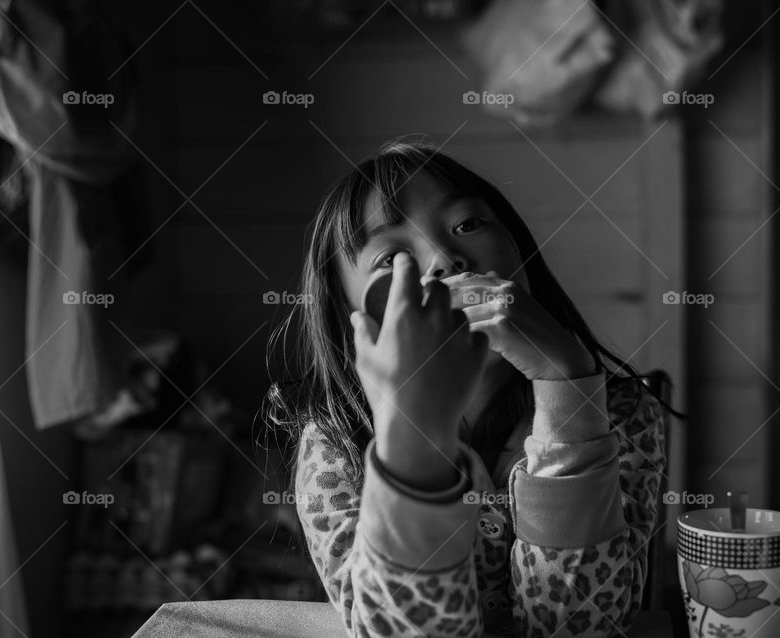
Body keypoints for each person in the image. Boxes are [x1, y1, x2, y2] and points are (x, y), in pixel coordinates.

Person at [263, 140, 667, 637]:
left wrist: (568, 387)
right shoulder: (334, 447)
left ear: (520, 254)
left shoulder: (620, 415)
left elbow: (578, 629)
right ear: (349, 317)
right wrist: (414, 439)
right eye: (391, 257)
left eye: (468, 225)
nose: (445, 259)